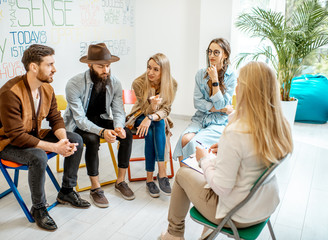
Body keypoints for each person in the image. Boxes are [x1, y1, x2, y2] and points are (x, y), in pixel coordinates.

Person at [159, 61, 294, 239]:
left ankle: (173, 234)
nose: (236, 87)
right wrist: (225, 149)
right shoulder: (279, 125)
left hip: (238, 214)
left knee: (183, 173)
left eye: (239, 83)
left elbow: (221, 187)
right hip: (265, 205)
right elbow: (252, 153)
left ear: (247, 90)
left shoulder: (236, 132)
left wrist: (204, 159)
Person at [0, 44, 90, 231]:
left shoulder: (47, 89)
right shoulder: (9, 93)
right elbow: (18, 137)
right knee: (38, 156)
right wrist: (55, 148)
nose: (55, 69)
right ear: (34, 67)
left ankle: (67, 191)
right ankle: (39, 208)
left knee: (75, 138)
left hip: (32, 135)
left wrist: (63, 140)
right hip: (7, 143)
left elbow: (55, 119)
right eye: (50, 64)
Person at [64, 43, 134, 208]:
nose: (106, 70)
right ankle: (95, 188)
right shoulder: (74, 84)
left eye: (108, 66)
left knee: (127, 134)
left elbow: (118, 111)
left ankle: (120, 181)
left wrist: (118, 127)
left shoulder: (114, 82)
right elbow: (80, 119)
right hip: (78, 124)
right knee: (92, 140)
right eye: (101, 66)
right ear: (89, 65)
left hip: (100, 118)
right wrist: (102, 132)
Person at [173, 38, 237, 164]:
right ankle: (184, 177)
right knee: (184, 139)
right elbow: (197, 103)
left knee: (193, 143)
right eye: (209, 52)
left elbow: (220, 103)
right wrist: (220, 109)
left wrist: (214, 80)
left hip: (219, 121)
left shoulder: (231, 76)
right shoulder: (200, 74)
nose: (211, 55)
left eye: (216, 52)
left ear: (225, 54)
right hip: (201, 118)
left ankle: (195, 175)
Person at [126, 53, 178, 198]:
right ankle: (162, 173)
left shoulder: (172, 84)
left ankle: (150, 179)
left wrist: (152, 116)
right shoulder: (139, 83)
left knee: (153, 128)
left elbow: (166, 110)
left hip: (157, 117)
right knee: (156, 124)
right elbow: (143, 109)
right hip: (138, 115)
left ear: (164, 71)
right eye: (149, 68)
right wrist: (151, 110)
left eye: (155, 69)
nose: (150, 72)